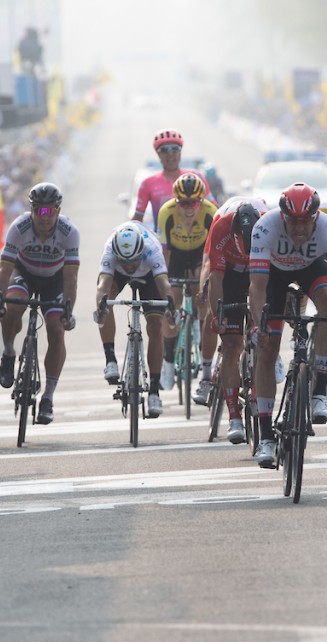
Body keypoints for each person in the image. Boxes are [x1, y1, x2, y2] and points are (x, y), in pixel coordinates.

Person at [248, 183, 327, 468]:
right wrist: (260, 327)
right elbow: (256, 288)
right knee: (267, 350)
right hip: (274, 276)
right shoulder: (265, 227)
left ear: (315, 217)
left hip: (311, 269)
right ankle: (266, 436)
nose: (299, 227)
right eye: (293, 221)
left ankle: (319, 392)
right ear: (282, 217)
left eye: (305, 220)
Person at [0, 182, 79, 425]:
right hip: (24, 274)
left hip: (55, 279)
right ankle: (9, 351)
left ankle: (48, 397)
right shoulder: (19, 227)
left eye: (50, 211)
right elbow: (4, 269)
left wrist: (68, 311)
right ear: (31, 210)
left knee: (56, 328)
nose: (44, 217)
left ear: (58, 211)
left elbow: (71, 278)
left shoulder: (69, 232)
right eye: (39, 211)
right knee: (13, 306)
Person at [94, 222, 173, 418]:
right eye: (125, 262)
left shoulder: (152, 249)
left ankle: (154, 391)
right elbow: (102, 285)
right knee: (106, 301)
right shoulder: (110, 249)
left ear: (141, 252)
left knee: (155, 327)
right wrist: (101, 307)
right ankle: (110, 359)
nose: (129, 267)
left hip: (148, 275)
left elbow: (164, 285)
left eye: (133, 262)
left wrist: (172, 307)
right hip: (117, 276)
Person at [203, 198, 265, 442]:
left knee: (266, 337)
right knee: (231, 346)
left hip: (259, 271)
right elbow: (215, 278)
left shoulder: (268, 226)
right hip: (228, 274)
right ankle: (234, 416)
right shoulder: (222, 227)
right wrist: (219, 314)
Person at [155, 172, 218, 405]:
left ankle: (203, 345)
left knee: (204, 300)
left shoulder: (211, 213)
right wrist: (166, 285)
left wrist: (205, 281)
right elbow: (164, 253)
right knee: (173, 303)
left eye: (194, 203)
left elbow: (212, 254)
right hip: (177, 257)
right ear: (176, 201)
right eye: (183, 203)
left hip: (202, 255)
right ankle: (169, 361)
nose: (189, 208)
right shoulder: (166, 213)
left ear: (201, 201)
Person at [131, 129, 209, 227]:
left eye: (174, 149)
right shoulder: (147, 183)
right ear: (158, 154)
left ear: (180, 152)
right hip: (162, 240)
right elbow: (137, 220)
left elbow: (214, 210)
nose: (170, 154)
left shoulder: (197, 178)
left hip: (197, 239)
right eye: (164, 150)